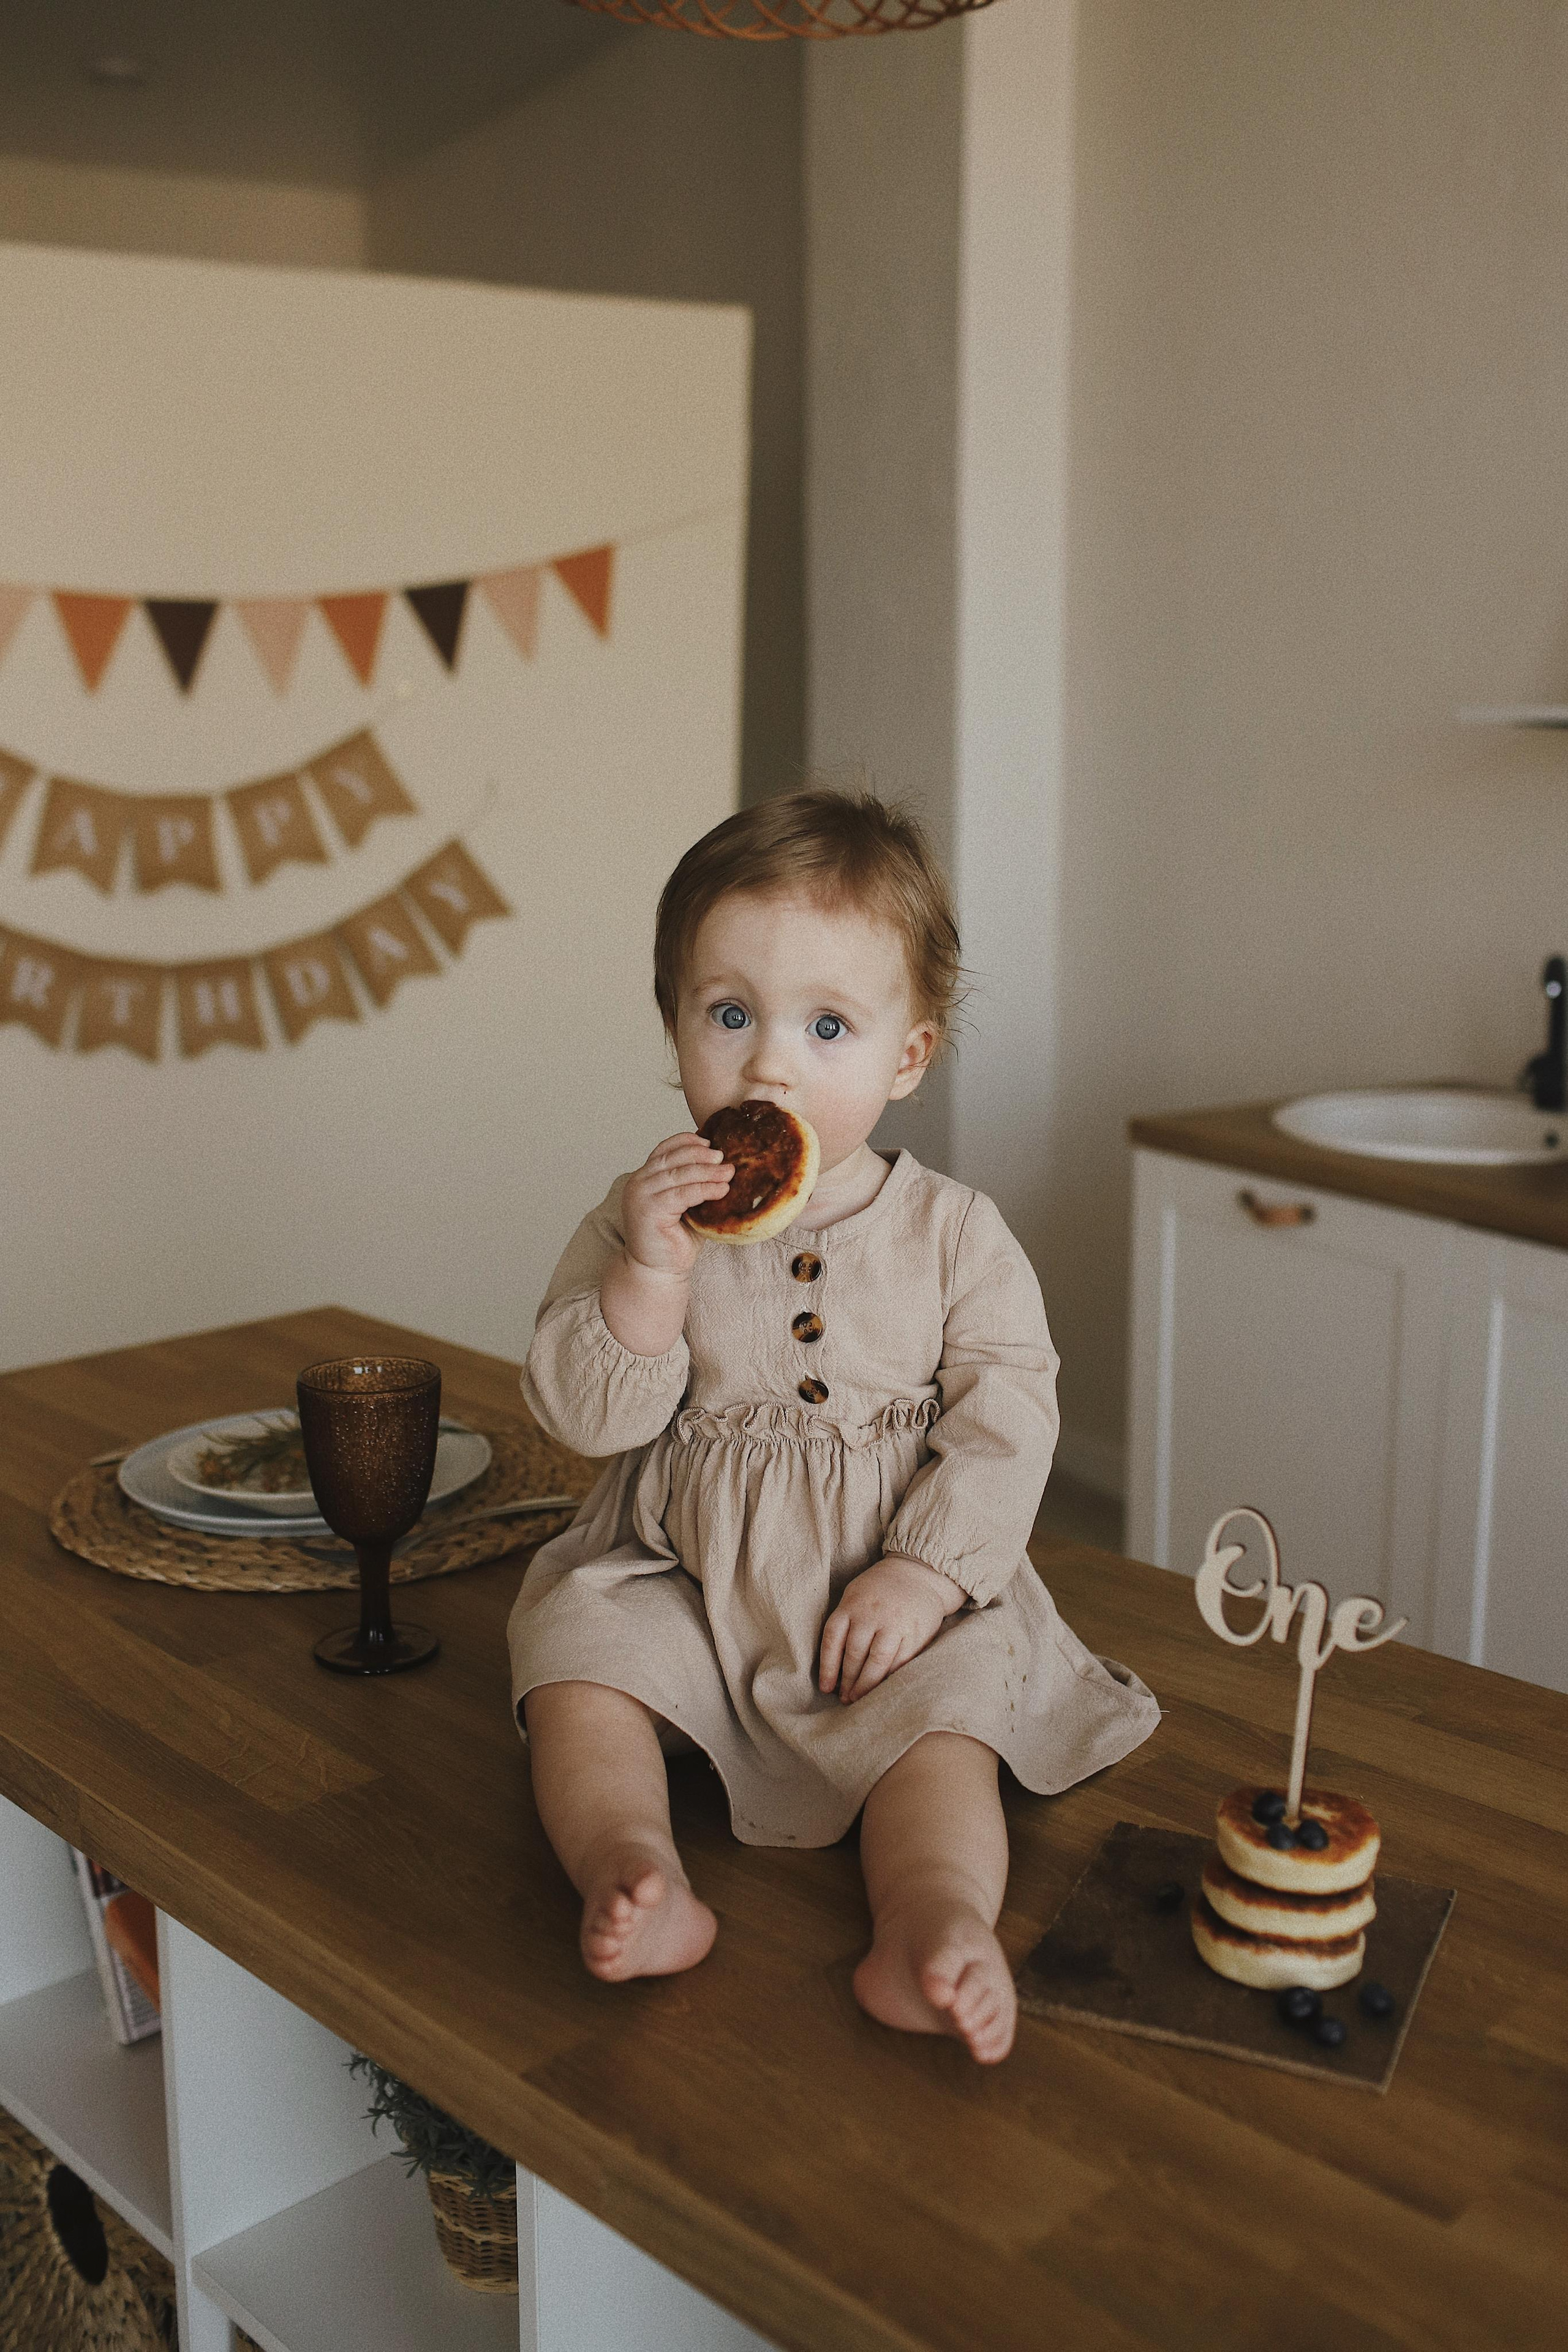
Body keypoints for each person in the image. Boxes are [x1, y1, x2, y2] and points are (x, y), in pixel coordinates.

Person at [508, 790, 1158, 2062]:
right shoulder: (644, 1214)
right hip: (685, 1577)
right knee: (574, 1656)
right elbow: (584, 1418)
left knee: (948, 1728)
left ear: (904, 1058)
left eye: (825, 1025)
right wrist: (648, 1276)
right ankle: (632, 1870)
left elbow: (1007, 1414)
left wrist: (925, 1572)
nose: (767, 1065)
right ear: (675, 1026)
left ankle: (931, 1924)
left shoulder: (953, 1234)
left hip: (886, 1593)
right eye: (729, 1014)